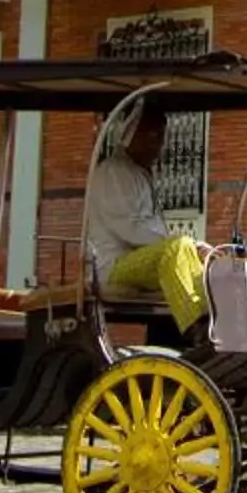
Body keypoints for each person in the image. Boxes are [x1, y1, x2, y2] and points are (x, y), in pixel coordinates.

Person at [85, 97, 209, 334]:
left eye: (161, 138)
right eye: (153, 137)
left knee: (200, 262)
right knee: (177, 248)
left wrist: (195, 250)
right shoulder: (113, 172)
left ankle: (209, 320)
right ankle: (196, 329)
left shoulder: (138, 173)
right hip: (113, 267)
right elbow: (131, 228)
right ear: (131, 135)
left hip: (138, 260)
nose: (158, 145)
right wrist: (186, 244)